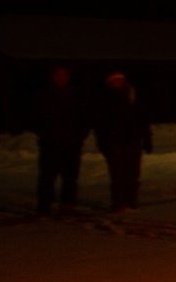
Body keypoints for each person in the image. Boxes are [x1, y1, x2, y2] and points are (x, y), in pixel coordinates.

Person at [93, 71, 153, 212]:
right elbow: (100, 124)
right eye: (115, 81)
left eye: (121, 81)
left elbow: (142, 120)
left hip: (133, 140)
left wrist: (147, 138)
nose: (119, 83)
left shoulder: (132, 98)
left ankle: (131, 201)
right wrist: (103, 143)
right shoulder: (105, 100)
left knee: (132, 173)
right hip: (114, 142)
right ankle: (119, 202)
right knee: (118, 174)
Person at [34, 64, 90, 215]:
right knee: (47, 175)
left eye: (64, 75)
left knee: (70, 176)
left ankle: (67, 204)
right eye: (58, 75)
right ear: (53, 77)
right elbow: (37, 117)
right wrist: (44, 132)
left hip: (72, 143)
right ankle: (44, 205)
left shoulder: (75, 95)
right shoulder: (44, 94)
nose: (61, 78)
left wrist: (80, 134)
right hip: (50, 143)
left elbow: (83, 117)